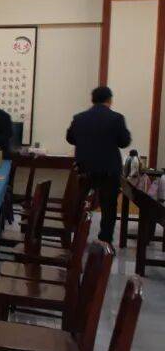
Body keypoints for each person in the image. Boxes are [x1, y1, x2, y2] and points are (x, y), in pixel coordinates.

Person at [66, 86, 131, 244]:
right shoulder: (116, 118)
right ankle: (105, 240)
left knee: (81, 202)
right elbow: (124, 142)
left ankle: (76, 236)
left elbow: (70, 138)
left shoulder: (79, 118)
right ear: (109, 100)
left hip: (85, 169)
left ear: (92, 100)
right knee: (109, 206)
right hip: (109, 170)